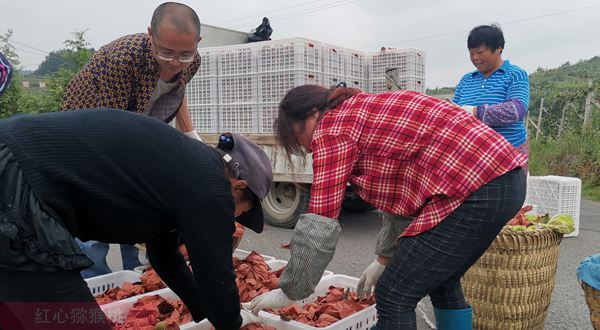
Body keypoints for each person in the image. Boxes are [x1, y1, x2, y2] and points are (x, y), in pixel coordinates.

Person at [246, 84, 527, 330]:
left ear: (311, 113)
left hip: (478, 187)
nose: (305, 147)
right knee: (443, 281)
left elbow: (320, 220)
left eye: (297, 137)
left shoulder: (332, 127)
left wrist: (291, 291)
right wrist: (384, 258)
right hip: (505, 180)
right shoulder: (360, 110)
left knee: (393, 294)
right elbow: (401, 201)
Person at [0, 109, 271, 329]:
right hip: (15, 184)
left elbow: (164, 255)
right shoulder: (211, 186)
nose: (236, 219)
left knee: (20, 315)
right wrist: (233, 322)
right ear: (238, 187)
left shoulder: (185, 171)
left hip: (11, 161)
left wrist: (202, 309)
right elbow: (215, 274)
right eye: (243, 212)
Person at [61, 2, 205, 277]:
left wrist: (191, 139)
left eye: (184, 53)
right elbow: (113, 125)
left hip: (138, 124)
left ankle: (135, 272)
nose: (175, 61)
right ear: (150, 34)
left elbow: (178, 93)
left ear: (198, 42)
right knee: (99, 201)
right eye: (166, 51)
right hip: (89, 131)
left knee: (137, 201)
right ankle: (94, 279)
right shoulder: (122, 59)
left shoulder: (193, 61)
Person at [452, 24, 530, 171]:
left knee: (507, 194)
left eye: (480, 52)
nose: (475, 58)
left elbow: (515, 110)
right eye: (471, 53)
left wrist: (474, 112)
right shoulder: (466, 80)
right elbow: (453, 113)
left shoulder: (515, 75)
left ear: (499, 48)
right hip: (471, 159)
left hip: (508, 158)